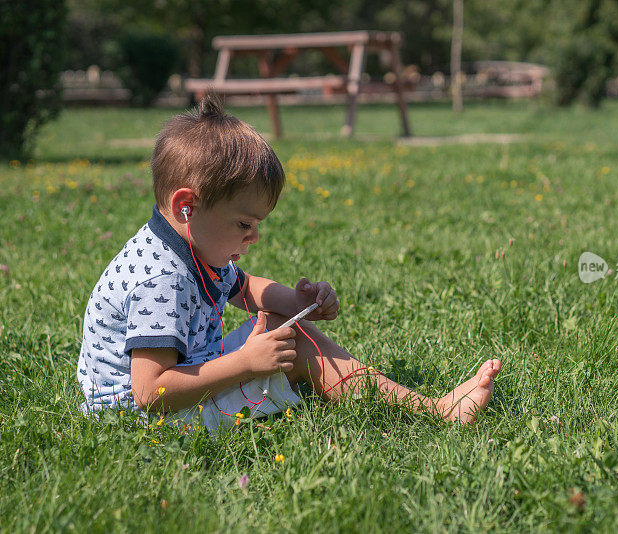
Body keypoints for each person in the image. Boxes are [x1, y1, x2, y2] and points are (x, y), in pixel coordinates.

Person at [76, 96, 501, 430]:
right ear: (187, 205)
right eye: (244, 222)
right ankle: (437, 411)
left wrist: (298, 300)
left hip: (170, 392)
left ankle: (369, 387)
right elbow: (151, 391)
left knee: (285, 322)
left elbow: (243, 288)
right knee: (293, 346)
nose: (253, 235)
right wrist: (245, 363)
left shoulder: (188, 244)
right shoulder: (162, 279)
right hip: (147, 423)